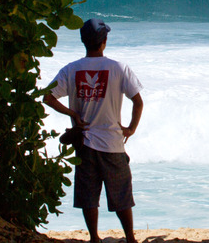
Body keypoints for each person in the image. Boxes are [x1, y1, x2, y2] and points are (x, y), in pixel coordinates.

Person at [44, 18, 144, 243]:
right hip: (112, 143)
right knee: (121, 196)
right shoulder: (118, 68)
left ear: (83, 41)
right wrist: (130, 129)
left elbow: (48, 97)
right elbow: (138, 102)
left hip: (85, 142)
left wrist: (72, 114)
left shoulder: (72, 69)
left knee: (88, 196)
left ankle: (94, 238)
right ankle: (130, 238)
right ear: (104, 41)